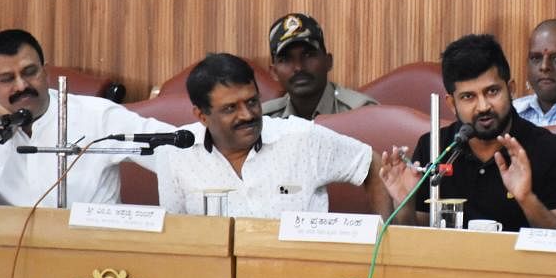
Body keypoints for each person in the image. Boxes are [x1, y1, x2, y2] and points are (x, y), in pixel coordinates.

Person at [379, 34, 556, 231]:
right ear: (452, 103)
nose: (483, 106)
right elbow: (418, 243)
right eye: (469, 97)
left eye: (492, 91)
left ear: (511, 89)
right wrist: (404, 204)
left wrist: (527, 199)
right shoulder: (433, 149)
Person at [157, 53, 391, 218]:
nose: (247, 115)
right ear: (202, 116)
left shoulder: (301, 138)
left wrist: (382, 240)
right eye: (230, 108)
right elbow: (177, 235)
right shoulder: (176, 154)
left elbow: (371, 164)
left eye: (252, 102)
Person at [0, 29, 174, 207]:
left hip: (91, 240)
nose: (21, 86)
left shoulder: (96, 116)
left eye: (30, 73)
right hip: (9, 242)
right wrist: (1, 131)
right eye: (7, 79)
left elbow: (176, 149)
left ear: (45, 73)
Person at [261, 13, 376, 119]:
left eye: (308, 55)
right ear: (274, 72)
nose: (299, 67)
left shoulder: (361, 113)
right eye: (286, 60)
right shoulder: (266, 119)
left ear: (328, 61)